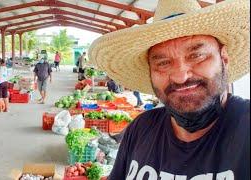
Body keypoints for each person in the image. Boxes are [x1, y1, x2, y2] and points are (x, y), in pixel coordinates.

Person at [88, 0, 250, 179]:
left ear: (224, 58)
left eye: (197, 55)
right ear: (150, 72)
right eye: (163, 63)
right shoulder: (141, 129)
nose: (181, 76)